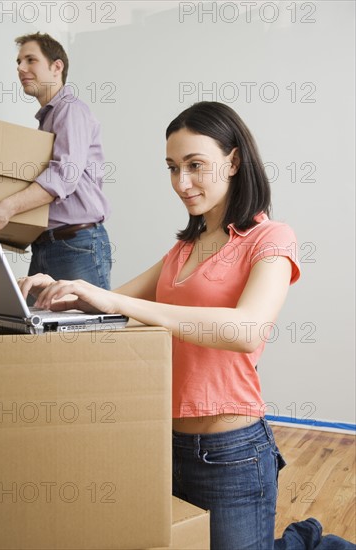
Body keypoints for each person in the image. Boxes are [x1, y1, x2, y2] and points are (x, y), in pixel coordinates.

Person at [18, 101, 348, 550]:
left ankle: (309, 541)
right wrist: (52, 288)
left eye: (196, 166)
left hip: (232, 451)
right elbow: (114, 310)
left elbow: (246, 328)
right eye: (173, 168)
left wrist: (109, 297)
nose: (182, 182)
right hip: (167, 446)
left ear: (233, 161)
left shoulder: (271, 239)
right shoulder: (182, 250)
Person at [0, 32, 112, 289]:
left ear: (56, 67)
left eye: (30, 60)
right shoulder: (48, 120)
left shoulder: (70, 109)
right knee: (30, 326)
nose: (21, 68)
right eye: (18, 62)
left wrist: (5, 209)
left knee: (85, 329)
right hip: (48, 244)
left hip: (76, 245)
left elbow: (64, 176)